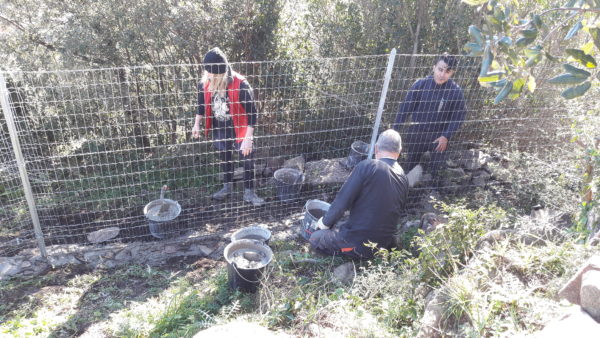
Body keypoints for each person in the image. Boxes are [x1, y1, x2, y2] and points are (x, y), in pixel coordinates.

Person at [309, 129, 409, 259]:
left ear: (376, 148)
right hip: (384, 245)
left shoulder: (368, 166)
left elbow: (342, 202)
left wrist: (323, 224)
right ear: (399, 152)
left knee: (316, 238)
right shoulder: (403, 178)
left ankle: (353, 253)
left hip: (358, 245)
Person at [192, 47, 265, 206]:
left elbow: (253, 114)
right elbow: (201, 105)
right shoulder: (204, 83)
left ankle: (249, 193)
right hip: (220, 127)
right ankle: (227, 188)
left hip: (240, 128)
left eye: (211, 73)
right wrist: (197, 124)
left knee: (247, 159)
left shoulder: (241, 85)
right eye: (207, 72)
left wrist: (248, 138)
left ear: (220, 73)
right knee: (225, 158)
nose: (208, 76)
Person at [392, 53, 467, 178]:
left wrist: (446, 136)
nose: (442, 74)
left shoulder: (455, 91)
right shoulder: (421, 84)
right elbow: (405, 108)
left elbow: (459, 117)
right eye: (440, 69)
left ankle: (431, 192)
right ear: (434, 67)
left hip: (439, 136)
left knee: (436, 171)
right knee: (410, 166)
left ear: (452, 73)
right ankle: (405, 190)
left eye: (447, 71)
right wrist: (395, 130)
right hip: (417, 132)